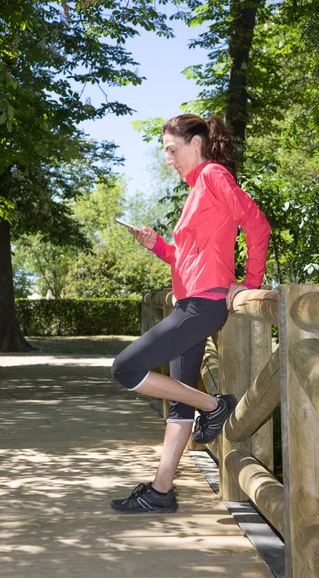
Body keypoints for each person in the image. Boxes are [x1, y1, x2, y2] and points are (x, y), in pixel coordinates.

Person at [110, 114, 271, 514]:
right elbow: (189, 258)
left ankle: (215, 406)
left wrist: (250, 283)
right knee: (178, 404)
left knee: (125, 368)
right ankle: (161, 491)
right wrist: (158, 247)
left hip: (202, 307)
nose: (168, 158)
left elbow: (257, 224)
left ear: (195, 144)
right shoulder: (198, 188)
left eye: (171, 149)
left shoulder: (214, 175)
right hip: (190, 303)